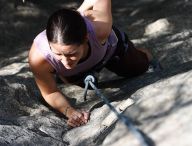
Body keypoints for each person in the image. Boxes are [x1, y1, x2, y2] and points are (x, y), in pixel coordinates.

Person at [28, 0, 156, 128]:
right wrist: (70, 112)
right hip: (77, 72)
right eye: (58, 54)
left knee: (139, 67)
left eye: (71, 54)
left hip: (110, 50)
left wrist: (81, 10)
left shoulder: (100, 27)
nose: (65, 62)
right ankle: (74, 72)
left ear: (85, 38)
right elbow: (50, 92)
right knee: (83, 83)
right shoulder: (39, 58)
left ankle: (143, 53)